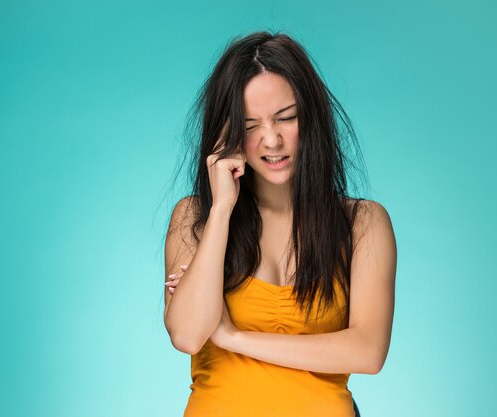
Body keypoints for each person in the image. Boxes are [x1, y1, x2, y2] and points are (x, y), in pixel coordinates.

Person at [162, 31, 397, 417]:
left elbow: (368, 352)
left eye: (285, 118)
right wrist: (221, 208)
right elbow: (187, 334)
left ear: (311, 118)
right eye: (251, 125)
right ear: (229, 133)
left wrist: (231, 336)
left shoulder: (363, 223)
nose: (271, 140)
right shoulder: (195, 217)